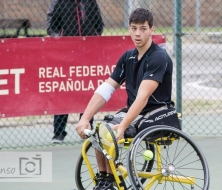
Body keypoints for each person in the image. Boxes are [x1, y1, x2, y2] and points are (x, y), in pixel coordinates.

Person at [76, 8, 176, 189]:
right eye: (134, 28)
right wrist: (85, 118)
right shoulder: (127, 57)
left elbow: (143, 97)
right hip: (135, 112)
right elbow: (106, 88)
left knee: (109, 132)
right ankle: (106, 179)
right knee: (100, 129)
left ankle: (110, 179)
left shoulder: (158, 58)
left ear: (152, 29)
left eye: (143, 28)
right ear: (129, 29)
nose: (138, 33)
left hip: (158, 112)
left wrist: (122, 126)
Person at [46, 0, 104, 143]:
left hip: (87, 53)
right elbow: (51, 26)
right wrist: (63, 40)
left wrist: (93, 37)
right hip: (65, 54)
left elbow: (99, 24)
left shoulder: (90, 2)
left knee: (87, 89)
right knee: (63, 90)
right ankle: (58, 133)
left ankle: (86, 129)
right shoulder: (59, 1)